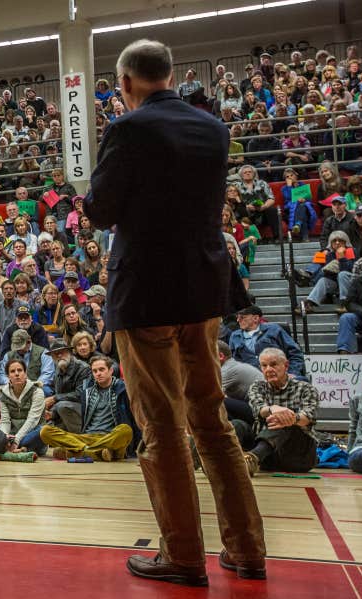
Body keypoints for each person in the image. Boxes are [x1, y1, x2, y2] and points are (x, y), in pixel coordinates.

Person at [84, 39, 266, 586]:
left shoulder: (129, 128)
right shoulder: (213, 128)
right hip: (203, 288)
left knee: (161, 425)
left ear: (126, 83)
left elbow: (99, 209)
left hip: (146, 292)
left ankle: (182, 554)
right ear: (168, 73)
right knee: (211, 419)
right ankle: (247, 549)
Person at [238, 348, 319, 475]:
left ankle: (250, 459)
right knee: (238, 424)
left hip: (298, 456)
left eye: (273, 364)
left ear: (286, 365)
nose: (268, 369)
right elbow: (258, 408)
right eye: (264, 366)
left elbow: (308, 417)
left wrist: (292, 418)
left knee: (283, 422)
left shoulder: (306, 388)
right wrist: (272, 409)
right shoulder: (257, 386)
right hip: (267, 457)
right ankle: (218, 459)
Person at [0, 359, 47, 455]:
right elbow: (5, 421)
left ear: (25, 373)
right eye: (12, 371)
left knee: (43, 430)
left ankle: (15, 447)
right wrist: (4, 438)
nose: (16, 374)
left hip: (30, 436)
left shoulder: (37, 392)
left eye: (20, 370)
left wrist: (16, 440)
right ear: (8, 376)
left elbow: (33, 420)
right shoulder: (3, 394)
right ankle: (19, 449)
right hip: (11, 437)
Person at [228, 305, 306, 378]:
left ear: (255, 318)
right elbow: (230, 361)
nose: (238, 320)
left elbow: (295, 353)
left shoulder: (274, 330)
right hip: (249, 379)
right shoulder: (235, 336)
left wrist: (292, 373)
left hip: (277, 376)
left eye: (242, 317)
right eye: (237, 317)